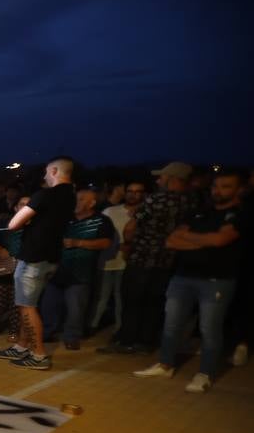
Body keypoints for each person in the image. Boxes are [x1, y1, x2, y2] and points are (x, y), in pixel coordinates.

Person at [134, 168, 247, 393]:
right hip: (183, 276)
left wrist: (197, 239)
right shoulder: (199, 212)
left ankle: (205, 373)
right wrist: (206, 241)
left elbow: (221, 240)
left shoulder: (240, 214)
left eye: (226, 186)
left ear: (238, 190)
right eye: (216, 185)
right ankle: (165, 364)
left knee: (209, 329)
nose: (218, 190)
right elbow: (172, 241)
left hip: (217, 280)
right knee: (172, 323)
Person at [0, 158, 78, 370]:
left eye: (47, 173)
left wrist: (27, 218)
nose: (45, 177)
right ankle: (22, 346)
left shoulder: (45, 195)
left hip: (33, 258)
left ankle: (39, 354)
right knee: (28, 305)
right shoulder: (70, 196)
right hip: (51, 258)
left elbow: (13, 224)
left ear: (55, 171)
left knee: (26, 306)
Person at [105, 164, 194, 354]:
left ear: (172, 179)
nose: (158, 181)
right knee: (154, 303)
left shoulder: (155, 200)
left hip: (141, 258)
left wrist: (130, 243)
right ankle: (146, 342)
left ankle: (127, 340)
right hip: (167, 261)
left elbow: (130, 229)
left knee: (132, 301)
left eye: (162, 178)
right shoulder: (191, 202)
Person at [40, 188, 113, 350]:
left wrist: (77, 243)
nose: (76, 202)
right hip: (57, 270)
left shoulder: (102, 221)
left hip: (81, 274)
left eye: (81, 199)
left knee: (75, 309)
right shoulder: (65, 219)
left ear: (92, 203)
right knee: (49, 305)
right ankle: (47, 333)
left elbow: (106, 243)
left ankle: (71, 337)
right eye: (76, 199)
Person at [91, 180, 142, 338]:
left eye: (137, 191)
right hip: (107, 262)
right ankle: (92, 326)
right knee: (101, 296)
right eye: (130, 191)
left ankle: (120, 330)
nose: (133, 195)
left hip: (129, 263)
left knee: (122, 299)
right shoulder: (110, 211)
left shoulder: (146, 212)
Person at [0, 197, 26, 342]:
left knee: (16, 302)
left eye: (28, 204)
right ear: (15, 207)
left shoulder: (35, 226)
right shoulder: (3, 223)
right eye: (21, 204)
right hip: (3, 266)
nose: (24, 207)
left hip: (23, 268)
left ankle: (13, 331)